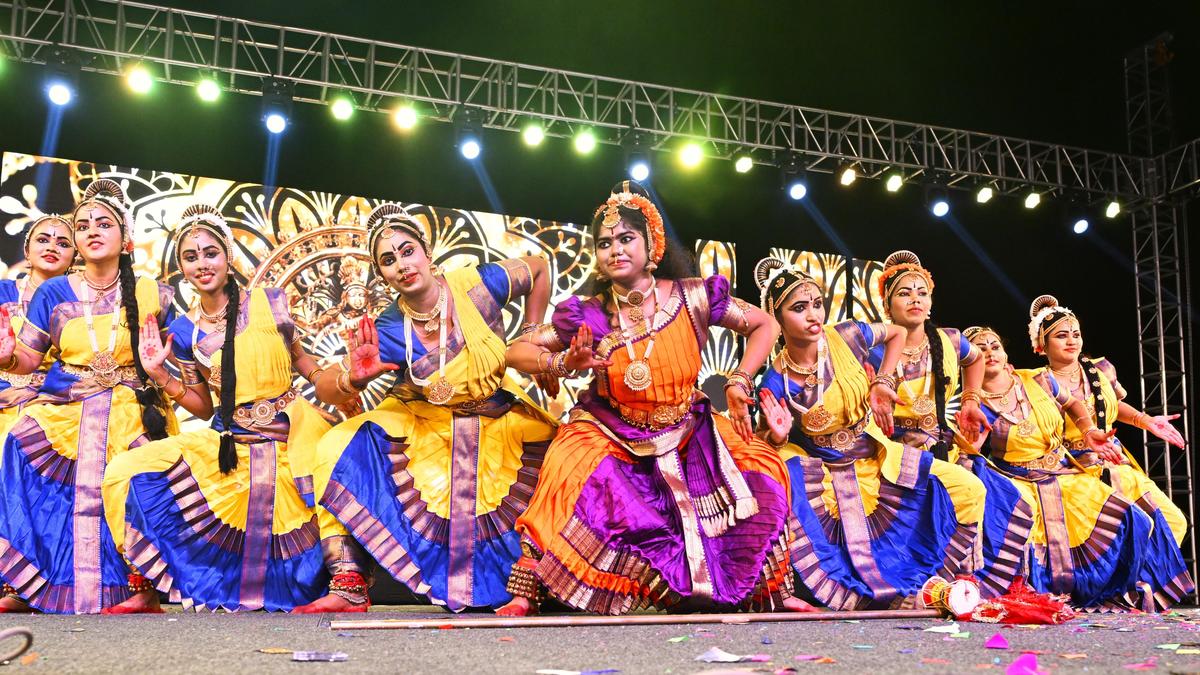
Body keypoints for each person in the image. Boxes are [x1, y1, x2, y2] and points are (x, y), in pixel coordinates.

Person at [498, 181, 811, 617]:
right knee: (566, 463)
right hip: (612, 426)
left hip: (688, 426)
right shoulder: (589, 313)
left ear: (652, 245)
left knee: (764, 464)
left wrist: (739, 380)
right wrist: (561, 363)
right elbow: (516, 350)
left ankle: (774, 589)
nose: (615, 250)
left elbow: (765, 326)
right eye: (604, 243)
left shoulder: (694, 297)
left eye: (626, 239)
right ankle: (527, 590)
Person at [293, 202, 558, 613]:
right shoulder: (388, 326)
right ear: (381, 274)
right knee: (335, 444)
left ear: (427, 252)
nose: (402, 264)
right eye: (388, 260)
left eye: (407, 251)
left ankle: (538, 584)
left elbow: (538, 268)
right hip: (426, 424)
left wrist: (532, 333)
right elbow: (328, 387)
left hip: (496, 415)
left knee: (563, 452)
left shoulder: (478, 285)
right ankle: (349, 584)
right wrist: (355, 378)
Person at [101, 204, 342, 612]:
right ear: (182, 268)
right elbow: (201, 406)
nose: (202, 264)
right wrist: (160, 374)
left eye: (210, 253)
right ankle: (144, 586)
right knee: (127, 467)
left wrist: (343, 381)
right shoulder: (184, 330)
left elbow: (307, 366)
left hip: (292, 437)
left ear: (228, 256)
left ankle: (346, 586)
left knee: (338, 469)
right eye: (190, 257)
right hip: (232, 442)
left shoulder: (271, 301)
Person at [754, 257, 980, 610]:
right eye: (799, 308)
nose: (813, 315)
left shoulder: (847, 336)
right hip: (828, 473)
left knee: (968, 487)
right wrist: (780, 437)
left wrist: (882, 381)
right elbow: (762, 444)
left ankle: (956, 585)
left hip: (877, 457)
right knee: (788, 484)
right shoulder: (776, 381)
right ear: (777, 319)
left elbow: (896, 334)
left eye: (817, 304)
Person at [0, 179, 177, 614]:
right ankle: (32, 583)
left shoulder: (155, 293)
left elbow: (180, 359)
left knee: (134, 461)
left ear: (126, 237)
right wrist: (6, 357)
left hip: (134, 405)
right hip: (71, 403)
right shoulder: (53, 292)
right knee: (20, 439)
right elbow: (27, 359)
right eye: (83, 226)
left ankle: (141, 589)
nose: (92, 230)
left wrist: (164, 372)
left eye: (104, 223)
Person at [867, 250, 1024, 596]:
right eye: (904, 293)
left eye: (922, 293)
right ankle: (918, 585)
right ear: (887, 305)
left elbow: (975, 359)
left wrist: (971, 400)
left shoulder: (949, 340)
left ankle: (959, 582)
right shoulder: (874, 348)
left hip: (942, 447)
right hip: (892, 453)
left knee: (1006, 497)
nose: (915, 299)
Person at [1029, 295, 1188, 546]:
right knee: (1107, 543)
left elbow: (1114, 403)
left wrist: (1145, 420)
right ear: (1041, 344)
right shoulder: (1036, 383)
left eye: (1076, 334)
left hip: (1113, 465)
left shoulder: (1101, 369)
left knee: (1172, 523)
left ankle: (1142, 573)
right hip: (1069, 473)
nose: (1071, 340)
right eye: (1061, 336)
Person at [0, 215, 75, 431]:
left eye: (63, 244)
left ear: (74, 257)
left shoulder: (79, 305)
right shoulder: (3, 292)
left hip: (53, 404)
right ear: (26, 251)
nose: (51, 247)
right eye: (43, 240)